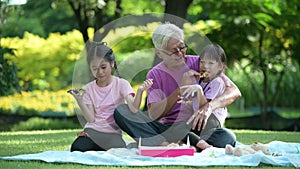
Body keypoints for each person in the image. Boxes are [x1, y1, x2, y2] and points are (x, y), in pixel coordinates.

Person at [114, 22, 241, 151]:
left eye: (182, 47)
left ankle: (162, 143)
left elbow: (234, 90)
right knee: (122, 111)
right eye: (174, 51)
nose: (180, 53)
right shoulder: (155, 74)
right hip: (168, 129)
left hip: (196, 126)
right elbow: (153, 115)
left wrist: (209, 107)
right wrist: (179, 91)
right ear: (159, 53)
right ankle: (167, 144)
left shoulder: (201, 62)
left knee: (226, 137)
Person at [68, 42, 153, 152]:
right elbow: (91, 118)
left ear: (112, 63)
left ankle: (99, 147)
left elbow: (133, 109)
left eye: (103, 67)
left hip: (112, 134)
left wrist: (140, 91)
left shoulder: (122, 84)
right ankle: (97, 146)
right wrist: (79, 100)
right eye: (95, 68)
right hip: (93, 132)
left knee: (119, 148)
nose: (100, 72)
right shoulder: (88, 88)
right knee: (77, 148)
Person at [179, 43, 231, 150]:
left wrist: (198, 90)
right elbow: (189, 99)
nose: (205, 66)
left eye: (210, 63)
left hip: (211, 118)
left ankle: (198, 145)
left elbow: (205, 107)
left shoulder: (217, 82)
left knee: (180, 130)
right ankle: (196, 145)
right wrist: (186, 79)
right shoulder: (199, 80)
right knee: (178, 129)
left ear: (220, 66)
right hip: (199, 116)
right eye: (202, 62)